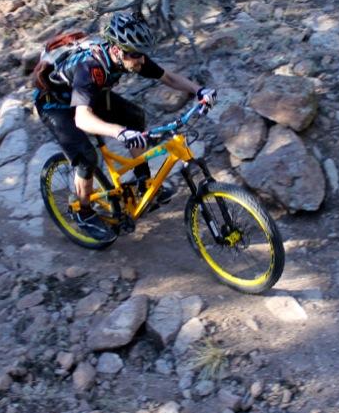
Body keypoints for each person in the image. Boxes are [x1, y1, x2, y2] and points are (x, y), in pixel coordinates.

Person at [33, 12, 216, 241]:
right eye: (135, 55)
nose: (140, 61)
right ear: (118, 50)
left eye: (142, 54)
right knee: (86, 157)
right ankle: (84, 212)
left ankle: (143, 184)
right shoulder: (90, 68)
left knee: (134, 116)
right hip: (56, 105)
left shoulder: (131, 54)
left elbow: (167, 77)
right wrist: (119, 132)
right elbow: (81, 119)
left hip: (87, 95)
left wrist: (200, 91)